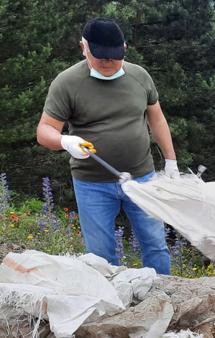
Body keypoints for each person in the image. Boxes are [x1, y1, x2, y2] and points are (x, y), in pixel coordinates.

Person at [36, 17, 177, 274]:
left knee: (156, 245)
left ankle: (163, 296)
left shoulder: (139, 77)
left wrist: (171, 161)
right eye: (100, 57)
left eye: (114, 56)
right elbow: (44, 131)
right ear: (83, 47)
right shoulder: (67, 83)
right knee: (100, 255)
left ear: (124, 47)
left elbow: (157, 119)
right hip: (92, 184)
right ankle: (113, 307)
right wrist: (66, 141)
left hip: (143, 177)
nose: (108, 63)